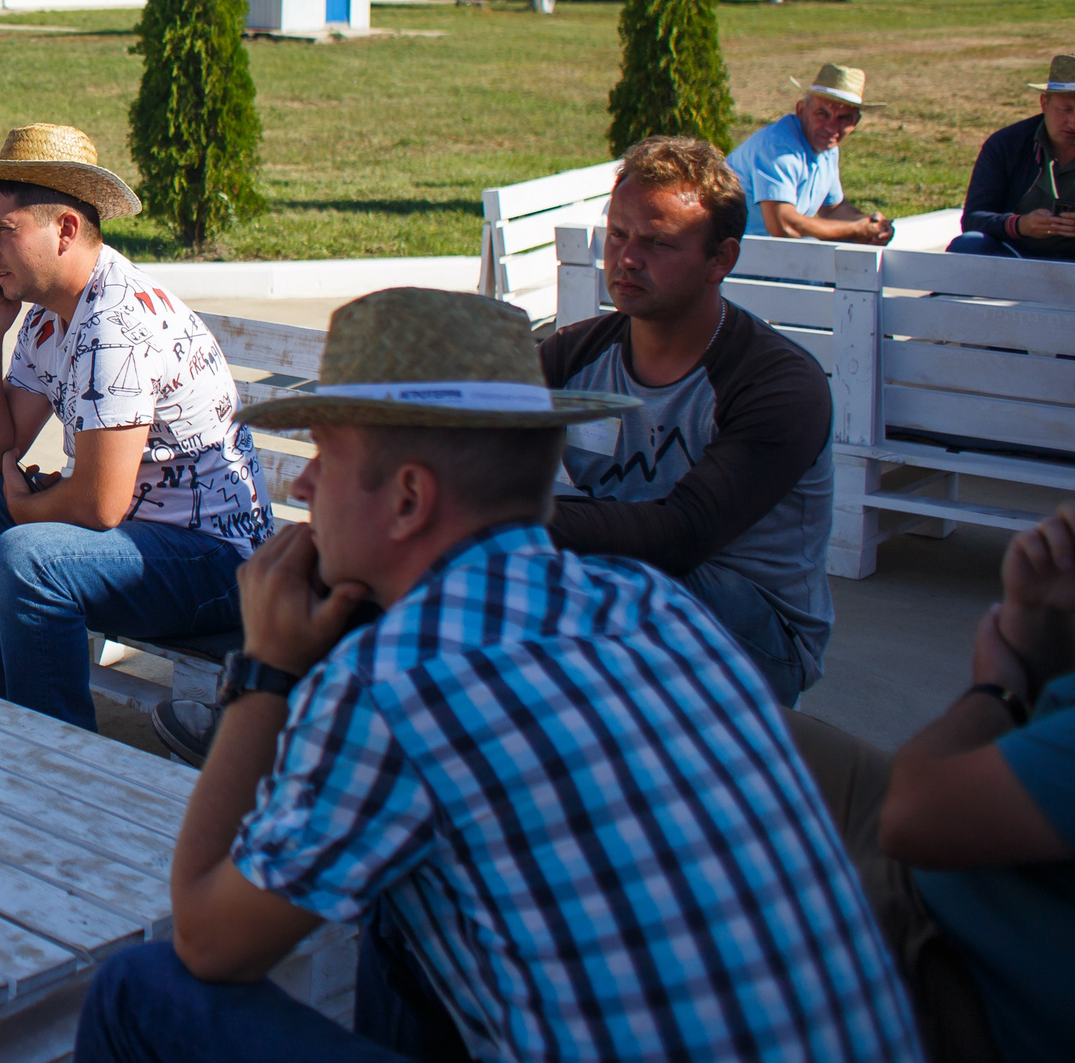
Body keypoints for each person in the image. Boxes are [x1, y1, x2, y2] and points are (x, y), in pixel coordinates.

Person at [74, 287, 923, 1063]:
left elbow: (207, 937)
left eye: (325, 454)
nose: (305, 480)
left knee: (138, 989)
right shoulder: (656, 607)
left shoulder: (394, 682)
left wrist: (266, 670)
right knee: (410, 893)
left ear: (409, 498)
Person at [0, 124, 269, 736]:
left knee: (28, 558)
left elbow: (98, 506)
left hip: (211, 563)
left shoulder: (115, 323)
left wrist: (30, 509)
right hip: (135, 538)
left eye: (4, 231)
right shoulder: (48, 317)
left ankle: (53, 756)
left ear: (66, 230)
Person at [544, 135, 834, 706]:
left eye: (658, 243)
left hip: (757, 634)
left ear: (721, 259)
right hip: (621, 588)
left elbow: (682, 536)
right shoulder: (573, 355)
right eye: (618, 234)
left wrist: (499, 519)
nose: (627, 258)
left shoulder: (777, 383)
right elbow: (473, 448)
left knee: (587, 578)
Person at [789, 501, 1075, 1063]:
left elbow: (909, 820)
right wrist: (1041, 641)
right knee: (715, 727)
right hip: (973, 856)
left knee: (692, 758)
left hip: (950, 961)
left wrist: (996, 690)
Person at [726, 61, 895, 245]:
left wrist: (871, 225)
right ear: (800, 110)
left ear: (856, 122)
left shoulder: (826, 147)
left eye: (844, 118)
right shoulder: (778, 148)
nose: (831, 127)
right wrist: (857, 230)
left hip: (761, 253)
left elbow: (832, 209)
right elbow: (783, 226)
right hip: (730, 254)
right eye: (822, 114)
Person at [950, 52, 1075, 261]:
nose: (1073, 123)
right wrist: (1020, 225)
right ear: (1044, 103)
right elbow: (973, 219)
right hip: (1015, 255)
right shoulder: (1007, 144)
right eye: (1065, 110)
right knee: (969, 245)